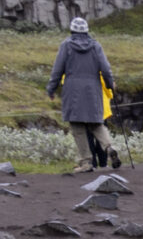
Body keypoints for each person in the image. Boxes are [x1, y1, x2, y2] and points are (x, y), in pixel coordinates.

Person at [47, 16, 121, 172]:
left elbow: (57, 70)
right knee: (96, 124)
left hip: (73, 90)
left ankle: (86, 162)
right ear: (87, 31)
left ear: (72, 30)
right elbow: (106, 70)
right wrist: (109, 86)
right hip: (93, 90)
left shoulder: (66, 45)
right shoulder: (96, 46)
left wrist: (51, 89)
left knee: (77, 127)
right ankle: (109, 148)